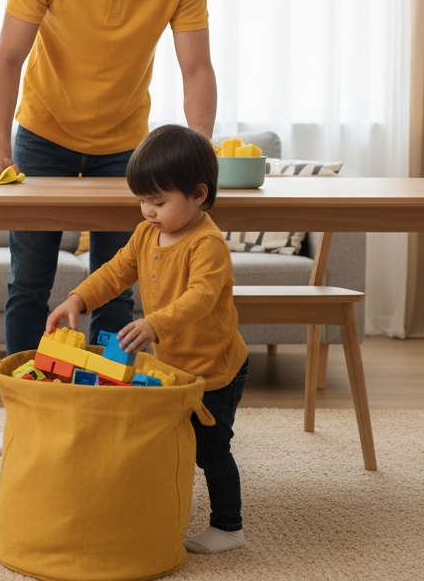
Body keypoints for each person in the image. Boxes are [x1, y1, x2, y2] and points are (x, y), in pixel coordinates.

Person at [0, 0, 217, 455]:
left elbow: (196, 67)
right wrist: (0, 150)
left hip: (125, 148)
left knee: (119, 288)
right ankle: (25, 414)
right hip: (42, 137)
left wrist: (198, 155)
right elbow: (7, 58)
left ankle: (110, 409)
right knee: (30, 282)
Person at [46, 124, 248, 554]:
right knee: (170, 440)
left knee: (212, 449)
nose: (147, 211)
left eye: (158, 201)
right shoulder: (146, 234)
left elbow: (200, 298)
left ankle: (229, 526)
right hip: (177, 364)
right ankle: (163, 506)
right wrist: (78, 299)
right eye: (142, 200)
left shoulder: (207, 244)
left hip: (215, 368)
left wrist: (155, 324)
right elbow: (116, 273)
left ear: (198, 194)